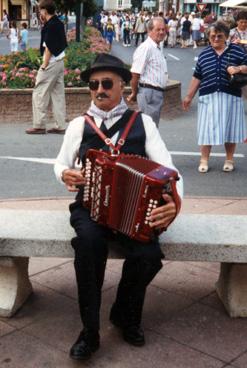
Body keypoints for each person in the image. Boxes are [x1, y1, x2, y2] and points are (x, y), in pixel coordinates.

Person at [54, 53, 183, 361]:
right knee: (88, 245)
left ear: (123, 85)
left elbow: (169, 169)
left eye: (107, 83)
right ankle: (90, 331)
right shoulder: (78, 125)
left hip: (134, 213)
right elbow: (60, 163)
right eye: (93, 84)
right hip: (90, 208)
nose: (99, 89)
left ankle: (124, 313)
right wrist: (64, 174)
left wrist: (174, 204)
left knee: (149, 255)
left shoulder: (143, 123)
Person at [182, 21, 247, 173]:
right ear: (208, 37)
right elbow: (197, 77)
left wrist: (238, 68)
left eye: (220, 36)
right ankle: (204, 160)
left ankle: (229, 159)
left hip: (231, 96)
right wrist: (188, 96)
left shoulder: (236, 50)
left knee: (231, 129)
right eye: (213, 36)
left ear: (226, 36)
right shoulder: (204, 54)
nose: (216, 39)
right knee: (206, 130)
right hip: (208, 97)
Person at [26, 0, 67, 135]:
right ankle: (60, 125)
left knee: (39, 93)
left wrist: (44, 65)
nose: (39, 14)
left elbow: (48, 46)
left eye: (40, 11)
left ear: (45, 11)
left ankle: (39, 125)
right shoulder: (59, 23)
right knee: (58, 95)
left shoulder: (50, 25)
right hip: (60, 62)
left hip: (51, 63)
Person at [127, 17, 168, 126]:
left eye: (163, 29)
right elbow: (135, 74)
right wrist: (134, 93)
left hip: (155, 93)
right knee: (149, 130)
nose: (162, 32)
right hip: (149, 93)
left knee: (151, 129)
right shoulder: (146, 48)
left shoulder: (156, 47)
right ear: (149, 31)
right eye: (158, 29)